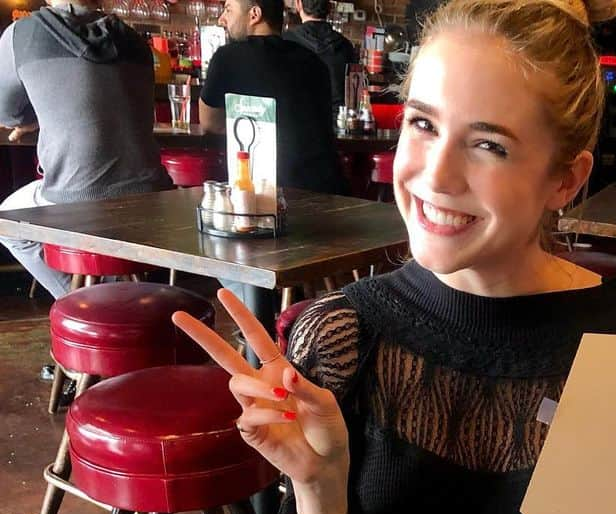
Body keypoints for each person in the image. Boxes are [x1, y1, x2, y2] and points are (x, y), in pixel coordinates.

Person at [176, 0, 616, 514]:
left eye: (489, 144)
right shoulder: (345, 338)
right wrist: (320, 489)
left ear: (565, 178)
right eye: (423, 125)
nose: (436, 174)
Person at [0, 0, 170, 299]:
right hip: (153, 198)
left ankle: (79, 301)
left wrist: (40, 116)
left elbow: (6, 113)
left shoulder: (22, 33)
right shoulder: (134, 39)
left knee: (7, 222)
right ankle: (110, 298)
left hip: (77, 200)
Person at [199, 0, 346, 194]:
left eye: (228, 9)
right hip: (325, 191)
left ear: (254, 15)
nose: (221, 19)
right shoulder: (313, 62)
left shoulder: (227, 58)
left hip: (266, 193)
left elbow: (210, 123)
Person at [283, 0, 357, 112]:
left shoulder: (285, 41)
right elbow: (353, 95)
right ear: (330, 7)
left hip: (295, 118)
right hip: (334, 122)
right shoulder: (346, 46)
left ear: (298, 4)